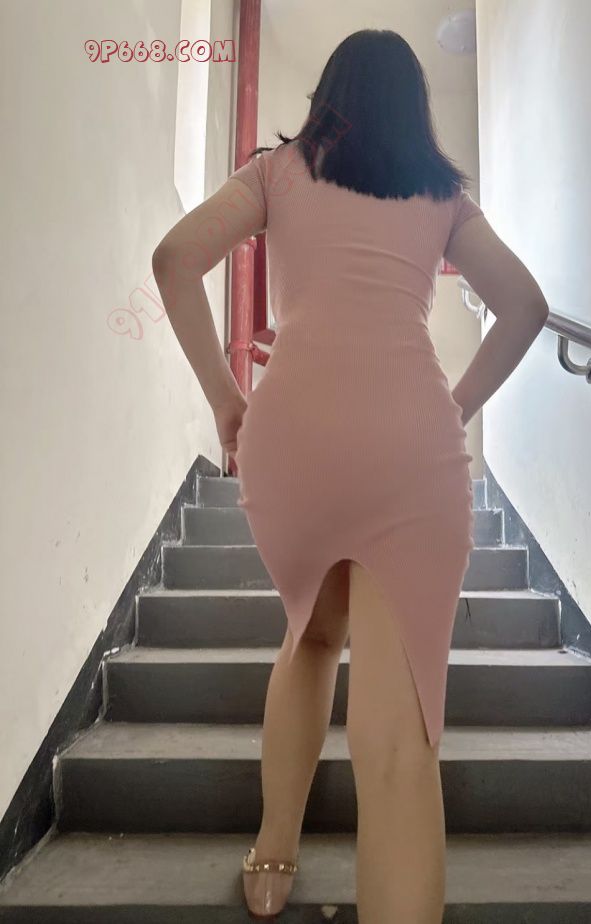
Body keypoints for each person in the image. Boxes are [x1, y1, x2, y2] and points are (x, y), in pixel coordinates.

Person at [152, 28, 549, 924]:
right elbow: (525, 306)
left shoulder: (276, 173)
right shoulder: (442, 195)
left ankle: (273, 852)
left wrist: (226, 399)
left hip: (294, 437)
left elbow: (173, 261)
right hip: (409, 442)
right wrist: (454, 405)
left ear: (327, 93)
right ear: (414, 105)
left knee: (308, 636)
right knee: (397, 738)